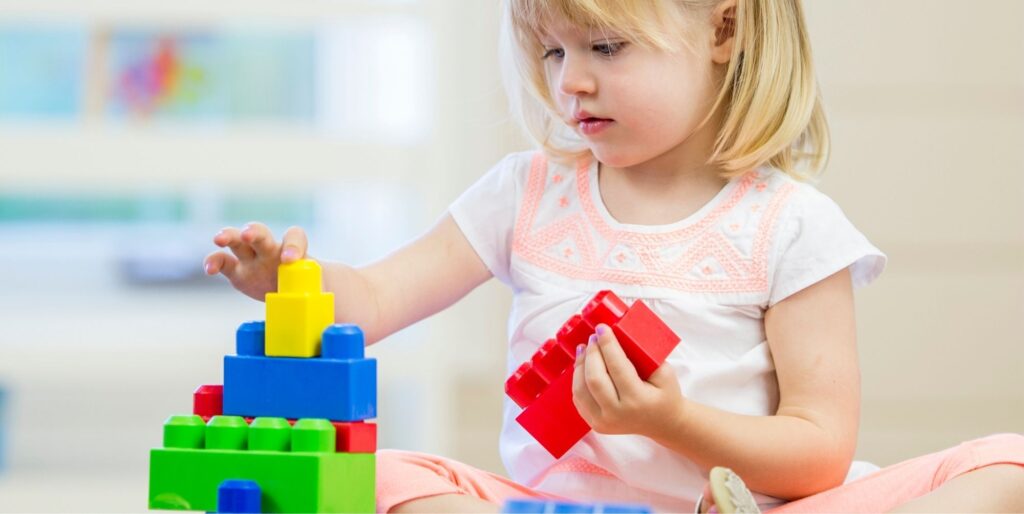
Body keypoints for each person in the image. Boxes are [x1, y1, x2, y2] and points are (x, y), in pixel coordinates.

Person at [204, 0, 1024, 512]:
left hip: (747, 512)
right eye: (553, 52)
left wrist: (669, 422)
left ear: (725, 27)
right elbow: (376, 300)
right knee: (378, 479)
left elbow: (817, 454)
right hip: (545, 508)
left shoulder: (792, 227)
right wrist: (291, 283)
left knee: (1009, 466)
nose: (570, 86)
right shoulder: (524, 193)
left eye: (605, 46)